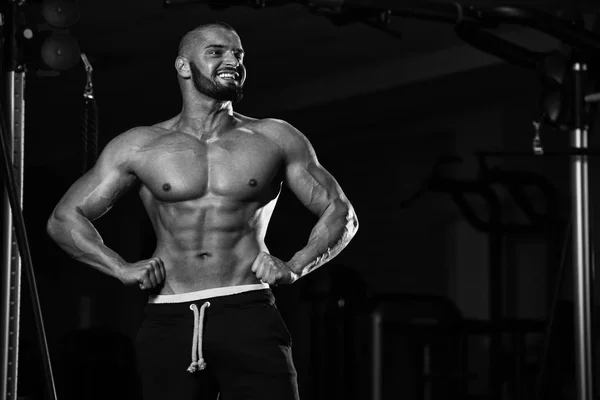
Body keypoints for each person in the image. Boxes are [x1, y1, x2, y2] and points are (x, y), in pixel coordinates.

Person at [46, 21, 358, 400]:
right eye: (217, 52)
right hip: (169, 317)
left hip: (248, 311)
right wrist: (120, 268)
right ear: (183, 66)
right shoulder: (140, 146)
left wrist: (294, 266)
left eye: (238, 54)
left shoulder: (274, 137)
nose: (232, 60)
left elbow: (341, 213)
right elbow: (64, 219)